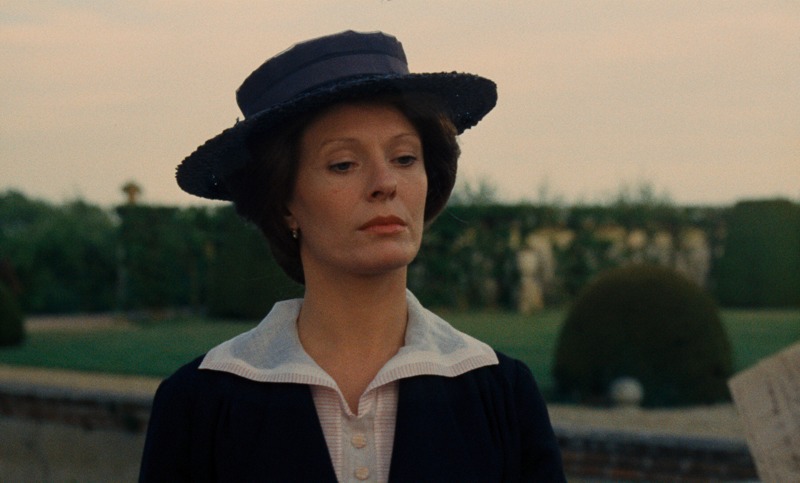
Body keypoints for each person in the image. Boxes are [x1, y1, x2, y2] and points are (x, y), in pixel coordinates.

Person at [139, 30, 565, 482]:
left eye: (405, 158)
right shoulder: (200, 405)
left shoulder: (501, 394)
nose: (385, 183)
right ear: (284, 203)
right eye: (343, 164)